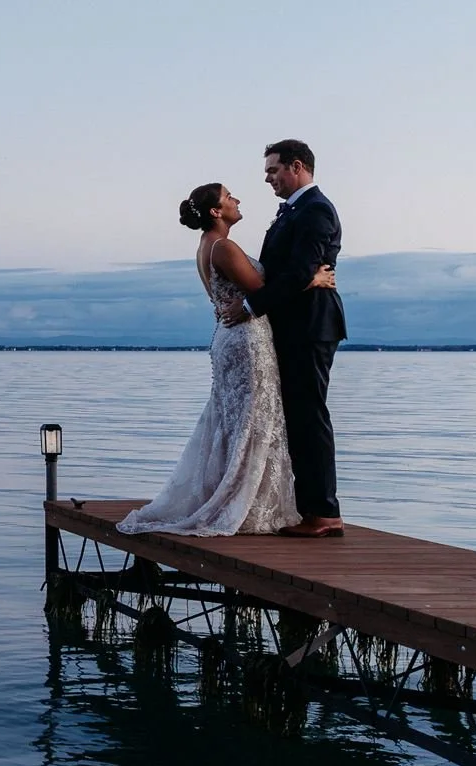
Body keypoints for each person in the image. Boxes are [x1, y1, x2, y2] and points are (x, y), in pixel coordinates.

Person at [117, 183, 337, 537]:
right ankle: (242, 499)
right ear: (216, 212)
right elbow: (258, 289)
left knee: (236, 418)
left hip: (230, 333)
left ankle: (239, 492)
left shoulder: (207, 246)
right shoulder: (223, 247)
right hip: (246, 337)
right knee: (253, 417)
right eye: (229, 197)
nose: (237, 201)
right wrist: (312, 278)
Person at [228, 139, 348, 537]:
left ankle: (324, 513)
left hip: (311, 326)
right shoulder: (294, 211)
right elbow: (291, 272)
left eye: (272, 171)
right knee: (298, 417)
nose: (268, 179)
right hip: (295, 324)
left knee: (309, 416)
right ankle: (310, 507)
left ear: (296, 167)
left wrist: (249, 307)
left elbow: (298, 272)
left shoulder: (315, 210)